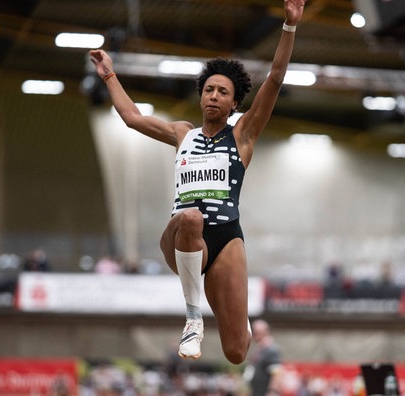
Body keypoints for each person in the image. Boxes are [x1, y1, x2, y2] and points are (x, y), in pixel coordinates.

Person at [88, 0, 305, 364]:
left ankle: (239, 323)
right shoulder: (181, 133)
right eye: (209, 89)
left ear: (234, 103)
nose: (214, 96)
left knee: (236, 352)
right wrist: (109, 74)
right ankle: (193, 317)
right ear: (200, 95)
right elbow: (131, 117)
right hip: (182, 236)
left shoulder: (243, 136)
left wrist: (290, 26)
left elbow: (276, 77)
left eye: (222, 92)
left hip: (226, 237)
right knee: (191, 218)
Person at [245, 319, 283, 396]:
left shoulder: (271, 350)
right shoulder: (259, 350)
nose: (255, 335)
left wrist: (272, 391)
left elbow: (276, 373)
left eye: (257, 332)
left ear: (266, 332)